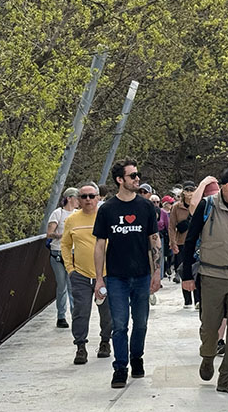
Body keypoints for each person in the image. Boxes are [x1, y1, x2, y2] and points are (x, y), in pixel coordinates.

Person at [181, 166, 228, 395]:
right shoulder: (207, 206)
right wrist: (186, 276)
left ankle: (227, 378)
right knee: (210, 326)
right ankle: (207, 355)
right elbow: (191, 239)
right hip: (212, 276)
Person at [94, 159, 162, 388]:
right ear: (120, 180)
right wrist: (99, 278)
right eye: (132, 176)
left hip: (142, 274)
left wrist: (157, 272)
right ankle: (120, 367)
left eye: (137, 175)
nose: (137, 179)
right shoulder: (107, 210)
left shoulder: (145, 208)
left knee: (141, 323)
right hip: (116, 276)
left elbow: (154, 239)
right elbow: (100, 244)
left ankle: (137, 358)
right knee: (120, 324)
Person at [61, 183, 113, 364]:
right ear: (78, 200)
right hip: (81, 275)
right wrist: (70, 269)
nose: (88, 200)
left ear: (98, 197)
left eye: (92, 196)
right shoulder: (72, 220)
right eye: (84, 197)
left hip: (106, 273)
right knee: (80, 312)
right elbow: (65, 245)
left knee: (107, 312)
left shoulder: (106, 216)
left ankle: (106, 342)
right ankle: (80, 346)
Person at [46, 187, 79, 328]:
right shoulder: (57, 213)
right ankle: (61, 316)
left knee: (73, 286)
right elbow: (49, 233)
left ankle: (75, 315)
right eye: (77, 198)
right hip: (58, 252)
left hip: (73, 253)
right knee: (62, 285)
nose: (79, 201)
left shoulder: (78, 214)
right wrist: (62, 235)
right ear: (70, 198)